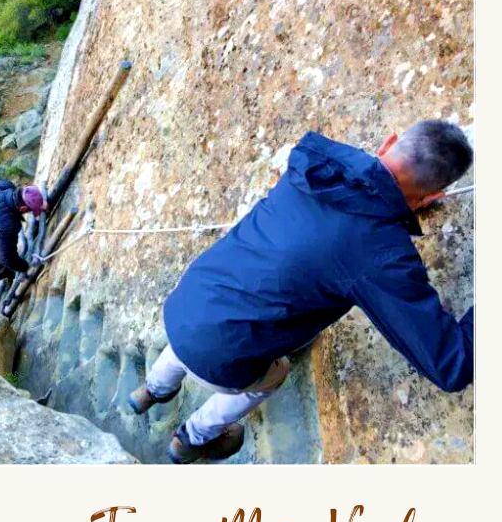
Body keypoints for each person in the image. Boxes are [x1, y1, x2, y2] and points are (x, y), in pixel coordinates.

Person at [129, 120, 474, 464]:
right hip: (221, 357)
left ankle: (150, 391)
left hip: (187, 301)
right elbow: (451, 364)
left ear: (389, 142)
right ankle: (192, 439)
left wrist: (401, 201)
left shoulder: (316, 161)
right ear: (433, 196)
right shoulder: (382, 254)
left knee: (203, 325)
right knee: (274, 373)